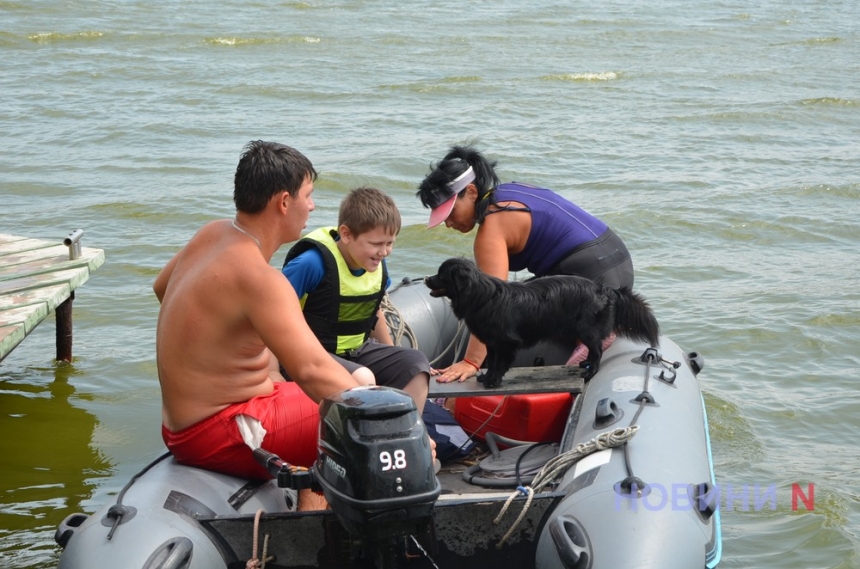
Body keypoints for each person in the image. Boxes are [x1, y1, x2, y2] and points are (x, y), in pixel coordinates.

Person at [153, 141, 418, 511]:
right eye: (307, 196)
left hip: (180, 424)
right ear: (282, 202)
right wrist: (397, 433)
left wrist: (228, 352)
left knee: (346, 393)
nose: (311, 206)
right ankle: (317, 539)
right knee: (355, 416)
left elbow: (162, 287)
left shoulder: (211, 234)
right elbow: (312, 370)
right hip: (218, 430)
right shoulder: (261, 279)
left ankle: (308, 499)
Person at [416, 144, 635, 382]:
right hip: (619, 262)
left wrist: (471, 362)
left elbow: (489, 305)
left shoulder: (491, 229)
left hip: (590, 275)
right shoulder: (509, 191)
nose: (447, 223)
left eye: (449, 212)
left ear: (470, 192)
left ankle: (586, 350)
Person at [282, 187, 431, 414]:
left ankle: (408, 433)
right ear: (347, 234)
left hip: (356, 348)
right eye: (376, 244)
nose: (384, 252)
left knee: (416, 365)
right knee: (363, 376)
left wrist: (391, 353)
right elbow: (271, 313)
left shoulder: (375, 263)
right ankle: (367, 441)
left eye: (389, 243)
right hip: (311, 354)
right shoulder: (310, 264)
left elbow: (374, 312)